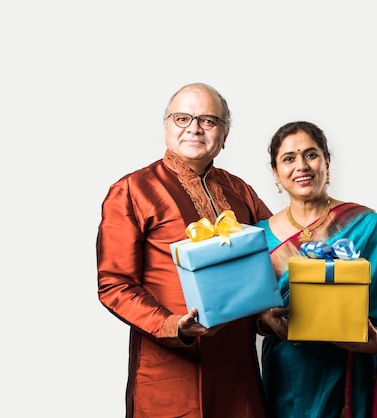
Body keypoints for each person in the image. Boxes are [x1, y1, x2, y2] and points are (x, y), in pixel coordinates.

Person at [96, 83, 272, 418]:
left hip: (239, 374)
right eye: (182, 118)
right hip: (169, 373)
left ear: (224, 134)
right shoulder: (132, 190)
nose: (194, 127)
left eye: (208, 120)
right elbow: (114, 285)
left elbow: (279, 252)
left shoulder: (240, 191)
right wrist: (174, 325)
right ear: (166, 127)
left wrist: (364, 250)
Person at [255, 121, 377, 418]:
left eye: (310, 155)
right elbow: (250, 315)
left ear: (327, 162)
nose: (301, 166)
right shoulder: (260, 237)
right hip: (286, 378)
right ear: (276, 173)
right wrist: (265, 322)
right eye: (288, 158)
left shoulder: (368, 226)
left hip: (350, 380)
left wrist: (372, 341)